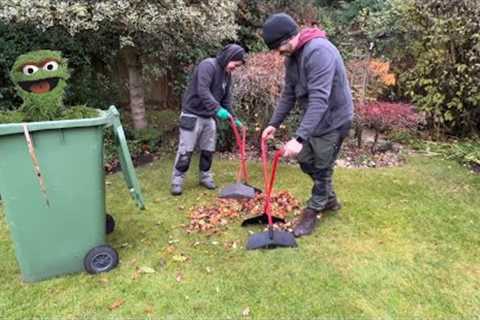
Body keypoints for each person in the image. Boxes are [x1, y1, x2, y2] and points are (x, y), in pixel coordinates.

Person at [261, 13, 354, 237]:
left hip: (333, 119)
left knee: (322, 167)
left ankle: (313, 210)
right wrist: (274, 123)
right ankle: (329, 199)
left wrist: (299, 138)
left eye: (279, 47)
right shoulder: (292, 57)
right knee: (304, 160)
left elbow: (320, 100)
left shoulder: (319, 51)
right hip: (316, 119)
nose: (279, 53)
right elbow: (288, 94)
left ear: (289, 38)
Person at [171, 44, 246, 196]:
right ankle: (177, 181)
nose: (235, 68)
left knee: (208, 150)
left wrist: (234, 119)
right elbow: (203, 91)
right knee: (186, 151)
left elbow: (226, 100)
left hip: (208, 117)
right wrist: (218, 110)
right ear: (229, 57)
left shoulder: (227, 75)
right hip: (192, 114)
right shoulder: (208, 65)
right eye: (235, 64)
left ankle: (205, 177)